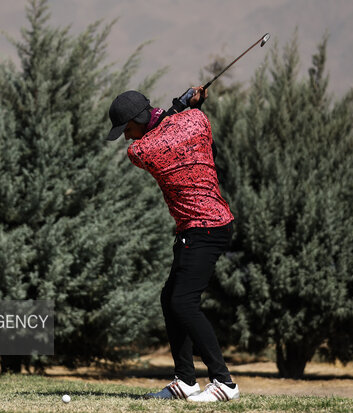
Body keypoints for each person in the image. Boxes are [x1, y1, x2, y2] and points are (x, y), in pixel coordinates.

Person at [106, 87, 239, 402]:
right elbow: (203, 147)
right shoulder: (197, 119)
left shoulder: (141, 152)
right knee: (171, 298)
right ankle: (185, 381)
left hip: (204, 228)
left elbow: (157, 140)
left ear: (139, 120)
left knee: (183, 302)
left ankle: (224, 384)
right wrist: (184, 109)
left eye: (127, 129)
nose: (127, 138)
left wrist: (174, 110)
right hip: (202, 226)